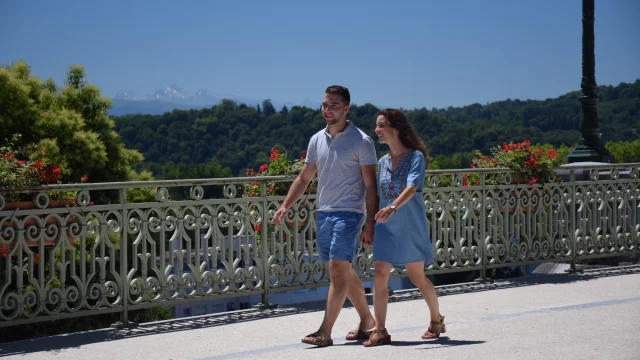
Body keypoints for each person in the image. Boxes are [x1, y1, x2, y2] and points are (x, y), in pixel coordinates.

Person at [272, 85, 378, 347]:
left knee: (336, 267)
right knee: (343, 269)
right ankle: (367, 321)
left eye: (333, 105)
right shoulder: (316, 139)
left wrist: (370, 222)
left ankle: (325, 331)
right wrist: (285, 205)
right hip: (323, 213)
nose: (327, 110)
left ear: (346, 108)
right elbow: (304, 176)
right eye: (324, 105)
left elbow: (370, 186)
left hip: (349, 213)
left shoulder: (361, 141)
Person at [362, 108, 446, 347]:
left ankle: (436, 319)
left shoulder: (415, 157)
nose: (376, 130)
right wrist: (369, 225)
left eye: (381, 126)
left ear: (395, 129)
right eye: (376, 126)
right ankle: (380, 330)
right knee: (379, 275)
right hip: (385, 227)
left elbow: (412, 187)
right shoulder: (381, 162)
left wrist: (393, 208)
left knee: (417, 278)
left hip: (409, 225)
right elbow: (376, 195)